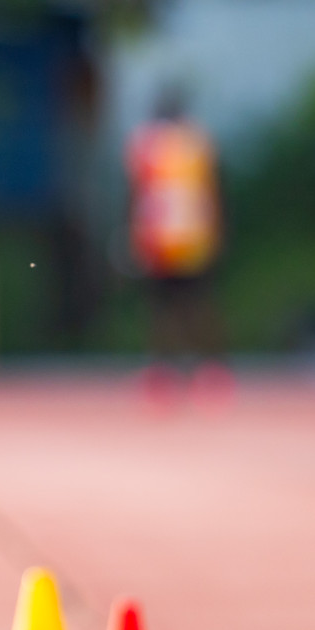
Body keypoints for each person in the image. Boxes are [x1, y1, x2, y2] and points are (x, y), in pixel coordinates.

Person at [125, 91, 230, 402]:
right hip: (192, 236)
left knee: (164, 310)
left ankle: (166, 373)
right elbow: (216, 191)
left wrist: (134, 233)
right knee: (196, 307)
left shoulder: (144, 144)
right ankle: (206, 371)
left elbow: (136, 196)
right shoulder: (197, 142)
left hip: (161, 239)